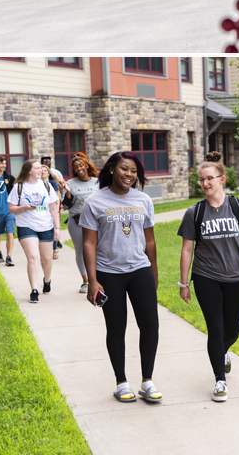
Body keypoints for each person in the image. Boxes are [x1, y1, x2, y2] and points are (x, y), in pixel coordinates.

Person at [177, 153, 239, 403]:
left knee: (232, 331)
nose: (204, 184)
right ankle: (220, 381)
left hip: (235, 276)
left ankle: (222, 352)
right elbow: (187, 249)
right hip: (206, 277)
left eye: (209, 179)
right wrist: (184, 283)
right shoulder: (195, 212)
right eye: (201, 180)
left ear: (222, 179)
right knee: (216, 328)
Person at [80, 152, 161, 404]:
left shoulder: (143, 200)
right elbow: (89, 242)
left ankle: (147, 381)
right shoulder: (94, 201)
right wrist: (92, 280)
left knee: (150, 324)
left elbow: (149, 239)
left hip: (139, 269)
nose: (130, 175)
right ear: (112, 170)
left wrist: (153, 270)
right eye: (125, 169)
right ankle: (121, 382)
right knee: (116, 327)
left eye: (134, 171)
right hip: (108, 272)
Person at [7, 160, 59, 302]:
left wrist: (58, 227)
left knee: (47, 260)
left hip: (46, 226)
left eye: (41, 168)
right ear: (29, 171)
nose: (40, 170)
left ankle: (47, 281)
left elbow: (54, 208)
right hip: (26, 226)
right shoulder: (19, 187)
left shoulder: (46, 186)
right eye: (37, 168)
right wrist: (24, 207)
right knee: (34, 257)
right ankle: (34, 290)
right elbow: (11, 208)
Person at [64, 153, 102, 293]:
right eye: (75, 167)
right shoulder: (70, 184)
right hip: (77, 222)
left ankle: (98, 279)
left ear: (86, 165)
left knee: (99, 250)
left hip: (97, 222)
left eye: (80, 165)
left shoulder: (97, 182)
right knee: (80, 252)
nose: (79, 168)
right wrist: (68, 193)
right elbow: (67, 205)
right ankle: (85, 281)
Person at [40, 156, 68, 260]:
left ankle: (55, 248)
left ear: (48, 172)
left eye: (45, 170)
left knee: (54, 228)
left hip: (53, 209)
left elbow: (57, 197)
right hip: (43, 210)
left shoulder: (52, 183)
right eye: (41, 170)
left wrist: (56, 208)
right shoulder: (37, 183)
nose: (43, 172)